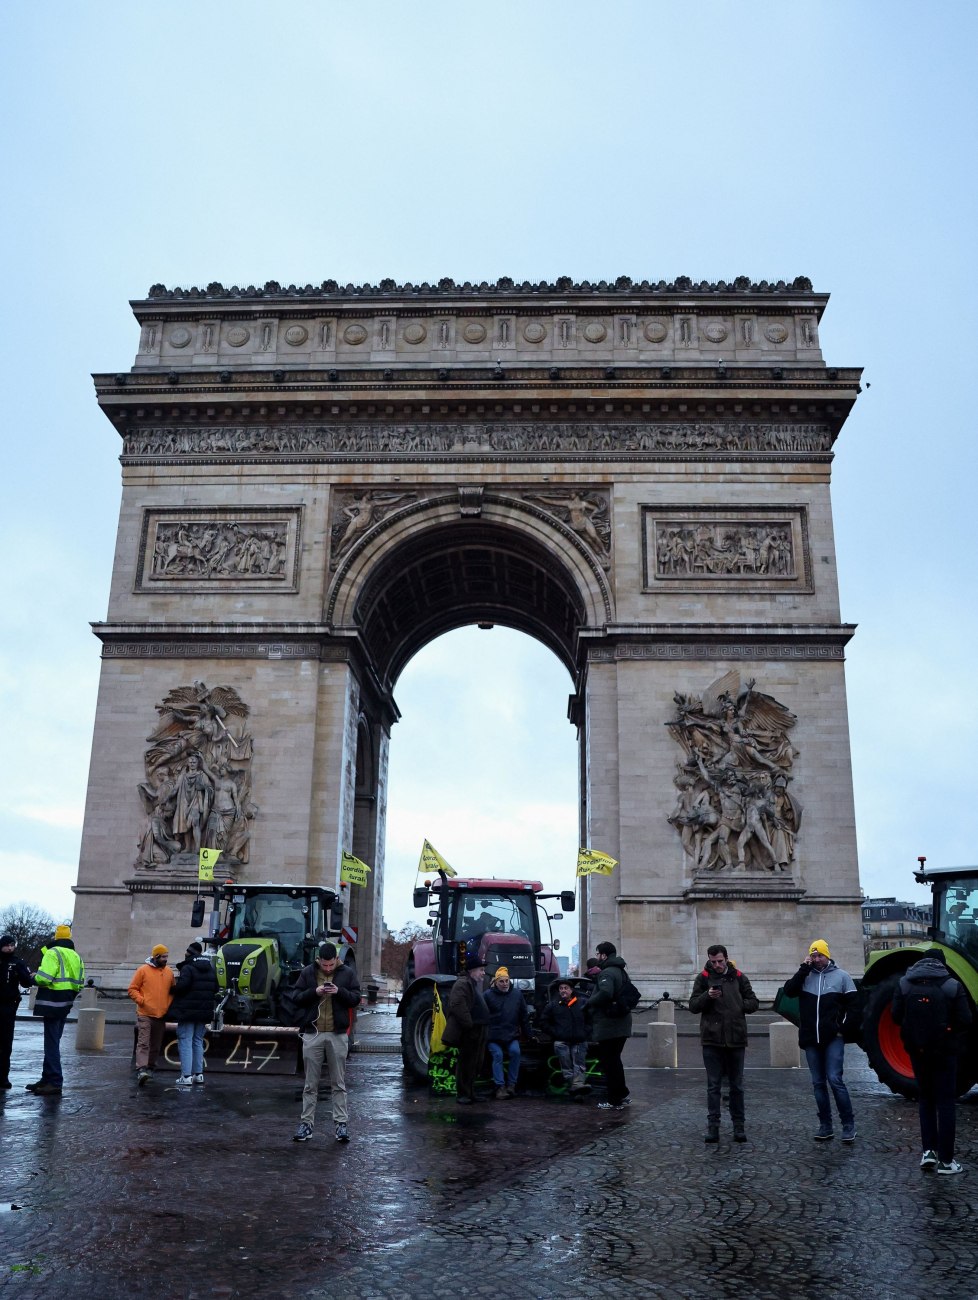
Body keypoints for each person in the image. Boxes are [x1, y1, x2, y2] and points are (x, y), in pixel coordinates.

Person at [891, 948, 972, 1175]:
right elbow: (965, 1019)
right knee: (945, 1103)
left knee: (925, 1099)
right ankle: (946, 1161)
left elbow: (896, 1015)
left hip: (918, 1051)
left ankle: (928, 1152)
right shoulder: (952, 986)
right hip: (945, 1052)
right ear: (942, 964)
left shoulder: (904, 985)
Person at [783, 939, 857, 1141]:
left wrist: (843, 1030)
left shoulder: (842, 977)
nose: (816, 959)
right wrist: (802, 969)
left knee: (835, 1079)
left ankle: (848, 1124)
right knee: (818, 1083)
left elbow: (855, 1007)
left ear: (827, 956)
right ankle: (825, 1125)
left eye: (820, 955)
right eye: (813, 956)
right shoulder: (804, 976)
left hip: (833, 1037)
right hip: (810, 1038)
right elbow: (789, 990)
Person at [688, 944, 759, 1142]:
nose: (717, 965)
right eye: (713, 961)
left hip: (736, 1039)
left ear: (726, 958)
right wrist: (707, 997)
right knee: (713, 1086)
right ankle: (713, 1127)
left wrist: (736, 1004)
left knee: (737, 1086)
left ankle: (739, 1126)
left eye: (720, 961)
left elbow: (753, 1003)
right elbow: (692, 1005)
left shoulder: (739, 977)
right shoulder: (702, 978)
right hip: (712, 1039)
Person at [292, 942, 361, 1143]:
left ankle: (341, 1125)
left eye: (331, 965)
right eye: (325, 965)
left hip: (337, 1034)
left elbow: (356, 998)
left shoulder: (347, 973)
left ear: (336, 960)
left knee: (338, 1083)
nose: (328, 969)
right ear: (319, 960)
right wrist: (315, 991)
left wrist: (339, 991)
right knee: (309, 1084)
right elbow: (295, 997)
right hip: (312, 1034)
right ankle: (306, 1125)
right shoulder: (308, 972)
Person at [28, 924, 85, 1096]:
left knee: (51, 1043)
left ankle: (54, 1080)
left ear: (56, 937)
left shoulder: (53, 952)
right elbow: (80, 982)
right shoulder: (76, 955)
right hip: (66, 1003)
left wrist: (33, 977)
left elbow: (45, 978)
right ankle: (46, 1078)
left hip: (51, 1001)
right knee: (54, 1041)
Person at [585, 941, 632, 1110]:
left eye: (598, 954)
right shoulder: (620, 970)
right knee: (615, 1061)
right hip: (621, 1023)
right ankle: (622, 1094)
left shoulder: (607, 972)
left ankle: (614, 1100)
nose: (597, 957)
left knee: (609, 1063)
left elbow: (605, 992)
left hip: (610, 1025)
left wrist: (589, 1002)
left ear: (604, 955)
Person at [443, 941, 490, 1104]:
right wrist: (469, 1024)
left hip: (478, 1029)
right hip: (471, 1030)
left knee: (475, 1063)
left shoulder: (472, 984)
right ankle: (463, 1094)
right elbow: (456, 1004)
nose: (483, 973)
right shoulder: (463, 983)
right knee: (466, 1063)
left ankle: (470, 1093)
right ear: (472, 971)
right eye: (481, 970)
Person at [171, 942, 219, 1087]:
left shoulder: (188, 967)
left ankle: (186, 1076)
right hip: (204, 1011)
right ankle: (198, 1074)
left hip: (188, 1011)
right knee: (197, 1041)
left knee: (185, 1040)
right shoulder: (210, 968)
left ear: (190, 953)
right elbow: (216, 987)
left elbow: (183, 986)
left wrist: (172, 989)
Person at [128, 944, 176, 1086]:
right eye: (164, 957)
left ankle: (150, 1068)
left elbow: (172, 991)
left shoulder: (169, 972)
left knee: (156, 1044)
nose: (166, 959)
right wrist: (141, 1001)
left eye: (167, 956)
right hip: (145, 1013)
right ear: (156, 956)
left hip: (161, 1015)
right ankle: (142, 1069)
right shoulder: (143, 970)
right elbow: (132, 989)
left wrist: (168, 1006)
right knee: (143, 1042)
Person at [484, 965, 530, 1099]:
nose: (505, 984)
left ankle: (511, 1085)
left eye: (506, 981)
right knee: (497, 1055)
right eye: (501, 981)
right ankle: (500, 1087)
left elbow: (523, 1015)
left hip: (510, 1034)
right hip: (493, 1035)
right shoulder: (487, 996)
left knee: (515, 1052)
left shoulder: (516, 994)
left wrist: (529, 1034)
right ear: (495, 982)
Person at [539, 979, 590, 1094]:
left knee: (579, 1064)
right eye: (561, 989)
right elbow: (543, 1022)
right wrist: (556, 1033)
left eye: (565, 988)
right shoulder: (553, 1005)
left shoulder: (582, 1003)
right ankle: (577, 1086)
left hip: (579, 1039)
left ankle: (576, 1087)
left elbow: (591, 1019)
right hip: (562, 1040)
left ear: (571, 990)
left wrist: (585, 1032)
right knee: (566, 1064)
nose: (563, 991)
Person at [0, 935, 33, 1089]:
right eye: (7, 945)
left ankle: (3, 1076)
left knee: (6, 1042)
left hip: (8, 1006)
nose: (10, 948)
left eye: (12, 945)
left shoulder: (17, 962)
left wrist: (25, 974)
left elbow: (26, 982)